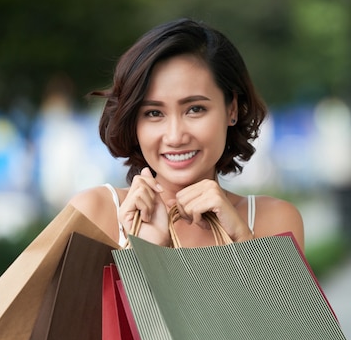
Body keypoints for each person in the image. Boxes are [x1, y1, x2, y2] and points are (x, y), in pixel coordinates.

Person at [69, 18, 304, 250]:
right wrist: (143, 251)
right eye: (153, 113)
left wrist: (242, 238)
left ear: (231, 108)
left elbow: (280, 291)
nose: (175, 137)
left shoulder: (273, 220)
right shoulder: (94, 214)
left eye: (195, 109)